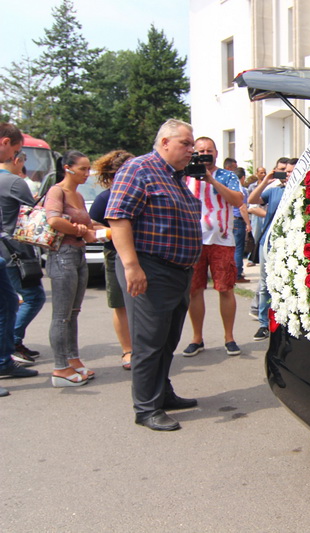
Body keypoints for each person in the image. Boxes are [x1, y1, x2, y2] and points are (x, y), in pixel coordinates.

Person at [105, 118, 202, 431]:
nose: (191, 150)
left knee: (167, 339)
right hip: (150, 269)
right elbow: (118, 217)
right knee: (149, 342)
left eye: (192, 144)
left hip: (176, 272)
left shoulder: (174, 176)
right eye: (185, 143)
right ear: (165, 142)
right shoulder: (139, 169)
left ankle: (162, 393)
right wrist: (132, 266)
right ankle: (146, 408)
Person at [181, 137, 244, 358]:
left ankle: (229, 337)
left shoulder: (227, 176)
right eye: (200, 151)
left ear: (216, 153)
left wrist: (210, 180)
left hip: (222, 239)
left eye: (209, 150)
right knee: (194, 290)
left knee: (225, 288)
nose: (205, 155)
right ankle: (196, 338)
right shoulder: (184, 175)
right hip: (193, 240)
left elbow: (238, 201)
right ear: (194, 153)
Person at [44, 150, 99, 387]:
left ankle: (72, 359)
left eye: (88, 168)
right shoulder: (57, 191)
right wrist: (80, 232)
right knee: (61, 315)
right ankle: (60, 367)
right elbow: (53, 220)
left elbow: (88, 223)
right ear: (67, 168)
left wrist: (106, 227)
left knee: (73, 312)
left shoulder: (77, 194)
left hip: (78, 255)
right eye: (83, 169)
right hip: (62, 255)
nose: (87, 173)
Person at [0, 122, 39, 396]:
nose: (15, 157)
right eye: (16, 151)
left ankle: (4, 361)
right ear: (5, 142)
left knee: (9, 303)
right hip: (9, 250)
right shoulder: (12, 181)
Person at [90, 150, 135, 370]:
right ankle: (128, 350)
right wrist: (111, 232)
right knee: (120, 304)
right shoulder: (105, 198)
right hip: (115, 254)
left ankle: (146, 349)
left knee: (144, 304)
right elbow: (92, 226)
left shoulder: (142, 194)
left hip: (144, 254)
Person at [252, 158, 296, 342]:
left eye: (292, 171)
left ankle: (283, 322)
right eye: (286, 171)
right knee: (265, 284)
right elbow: (252, 200)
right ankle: (264, 323)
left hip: (289, 245)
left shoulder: (301, 192)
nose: (288, 174)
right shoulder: (275, 190)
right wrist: (266, 180)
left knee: (286, 284)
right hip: (268, 243)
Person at [232, 167, 251, 283]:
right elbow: (243, 208)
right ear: (243, 178)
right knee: (239, 248)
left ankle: (232, 273)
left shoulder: (229, 188)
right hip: (239, 220)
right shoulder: (241, 190)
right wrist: (248, 223)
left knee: (232, 248)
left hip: (230, 220)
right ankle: (238, 274)